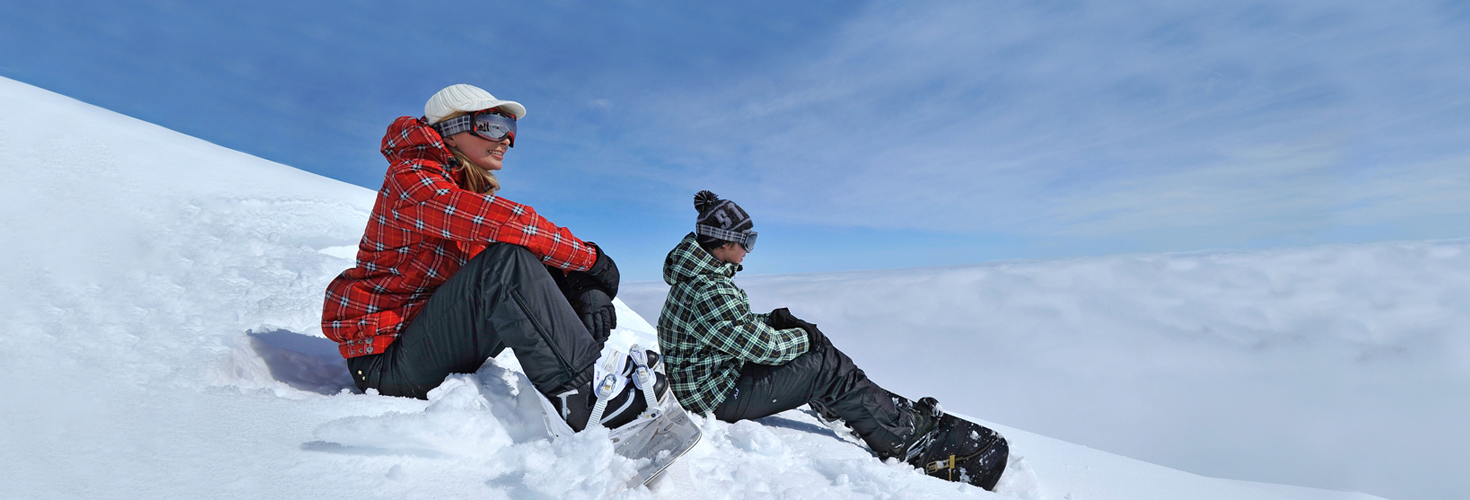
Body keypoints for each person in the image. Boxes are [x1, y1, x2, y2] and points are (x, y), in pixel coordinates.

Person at [321, 84, 666, 434]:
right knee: (505, 261)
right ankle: (581, 403)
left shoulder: (457, 190)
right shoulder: (411, 180)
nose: (506, 140)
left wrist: (580, 283)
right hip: (386, 364)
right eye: (492, 126)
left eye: (510, 131)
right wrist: (590, 259)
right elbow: (511, 225)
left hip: (424, 338)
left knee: (531, 264)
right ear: (451, 131)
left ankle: (592, 377)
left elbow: (524, 259)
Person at [655, 191, 1010, 490]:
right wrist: (802, 335)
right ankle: (910, 440)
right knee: (824, 365)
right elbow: (766, 348)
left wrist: (777, 323)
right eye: (748, 241)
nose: (749, 249)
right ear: (724, 243)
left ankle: (878, 411)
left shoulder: (699, 276)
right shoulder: (710, 289)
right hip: (717, 396)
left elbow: (730, 330)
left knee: (821, 358)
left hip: (712, 378)